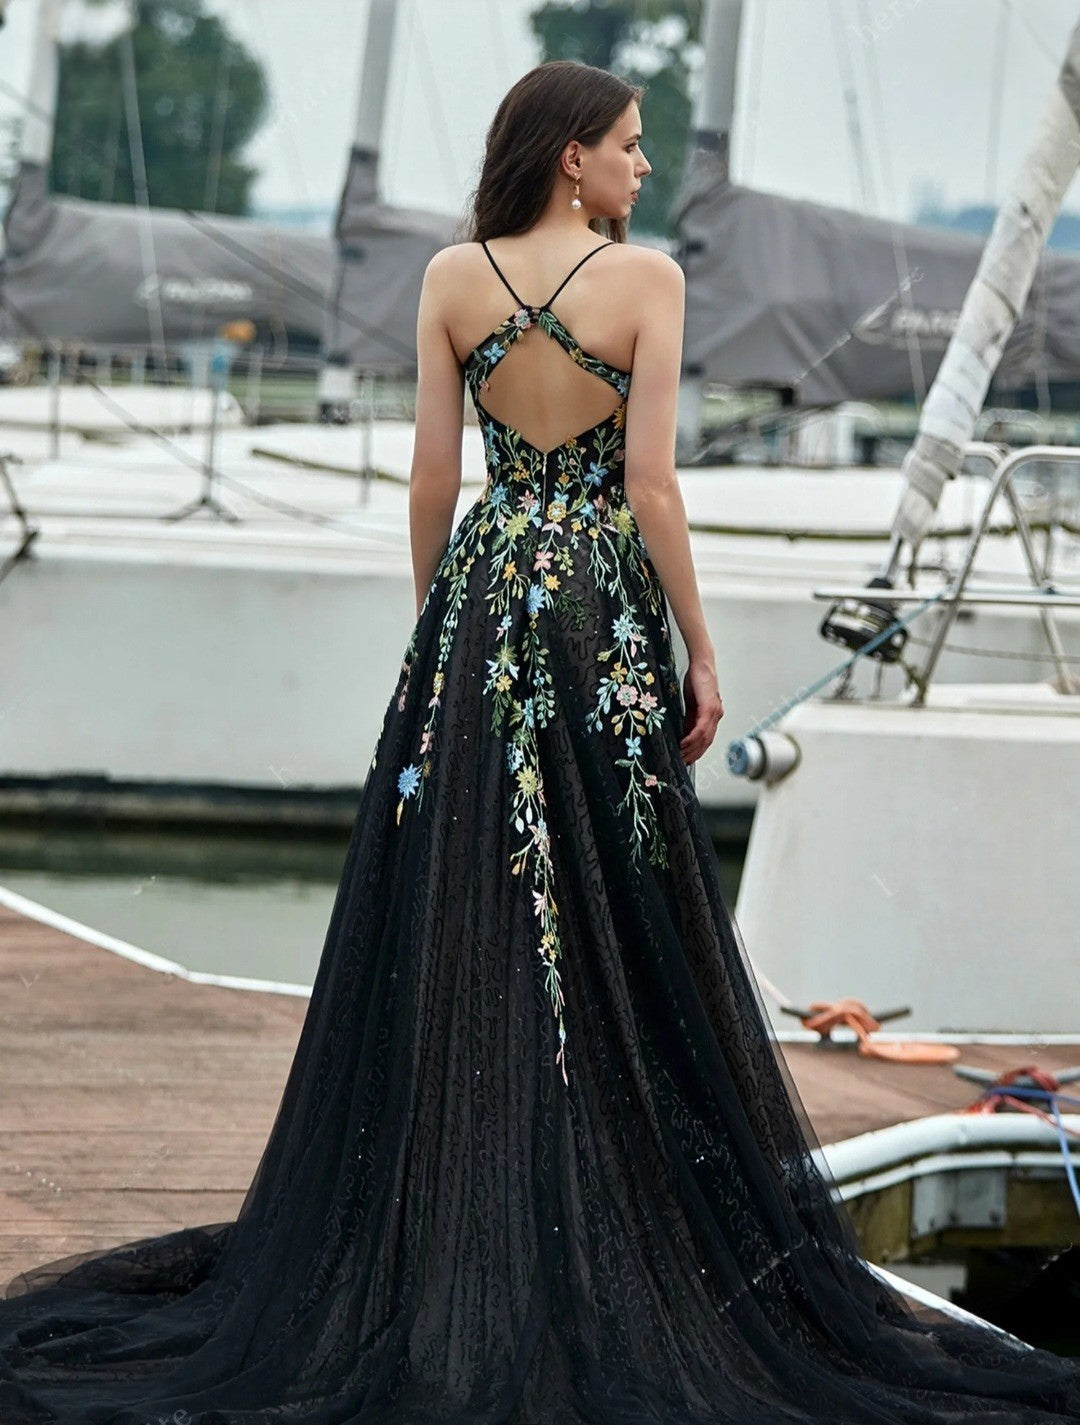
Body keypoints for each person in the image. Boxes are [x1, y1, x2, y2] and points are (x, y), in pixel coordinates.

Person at [1, 57, 1078, 1425]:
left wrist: (437, 638)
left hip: (480, 607)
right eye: (628, 146)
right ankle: (603, 1192)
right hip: (599, 618)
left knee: (467, 905)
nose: (641, 165)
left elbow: (433, 482)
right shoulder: (651, 286)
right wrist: (701, 645)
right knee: (618, 902)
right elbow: (652, 486)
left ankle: (459, 1198)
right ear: (572, 155)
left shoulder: (454, 279)